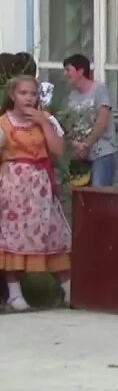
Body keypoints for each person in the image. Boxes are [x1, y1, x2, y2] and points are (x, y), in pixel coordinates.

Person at [0, 75, 72, 311]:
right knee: (13, 238)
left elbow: (58, 150)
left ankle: (69, 288)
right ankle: (14, 293)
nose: (29, 98)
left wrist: (42, 122)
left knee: (50, 235)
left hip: (40, 188)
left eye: (32, 94)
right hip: (13, 187)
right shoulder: (4, 123)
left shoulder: (46, 120)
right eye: (23, 93)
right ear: (13, 95)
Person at [62, 54, 117, 187]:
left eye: (68, 70)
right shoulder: (72, 96)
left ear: (80, 71)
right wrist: (75, 145)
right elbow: (67, 125)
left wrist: (87, 145)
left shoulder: (99, 89)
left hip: (101, 153)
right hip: (80, 156)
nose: (65, 74)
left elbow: (102, 121)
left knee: (99, 195)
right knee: (81, 198)